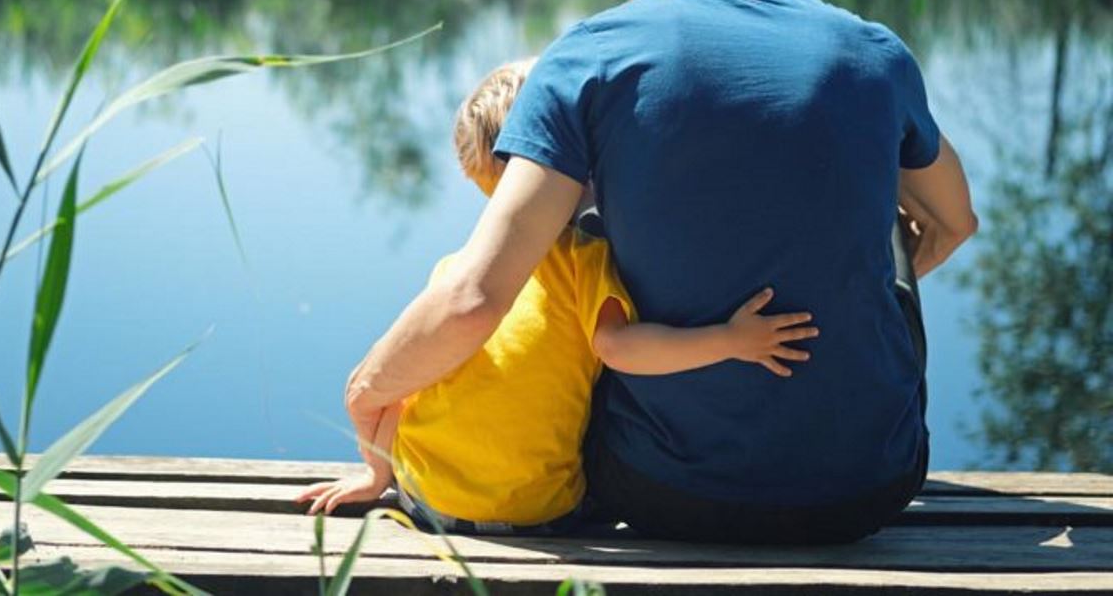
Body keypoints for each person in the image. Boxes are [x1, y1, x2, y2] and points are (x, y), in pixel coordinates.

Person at [342, 0, 977, 544]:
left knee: (580, 221)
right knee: (889, 222)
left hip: (663, 489)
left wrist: (365, 389)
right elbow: (954, 221)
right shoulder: (873, 53)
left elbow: (475, 298)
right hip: (870, 485)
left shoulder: (591, 56)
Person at [297, 59, 819, 533]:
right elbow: (620, 348)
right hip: (538, 515)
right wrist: (729, 340)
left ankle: (382, 475)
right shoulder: (583, 260)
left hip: (430, 502)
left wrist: (375, 475)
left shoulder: (457, 272)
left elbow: (401, 387)